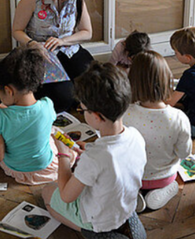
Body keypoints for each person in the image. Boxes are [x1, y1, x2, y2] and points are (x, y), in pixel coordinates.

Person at [41, 62, 147, 234]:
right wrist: (89, 149)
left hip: (97, 219)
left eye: (82, 109)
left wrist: (63, 155)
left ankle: (92, 233)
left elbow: (67, 197)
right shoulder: (136, 136)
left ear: (97, 116)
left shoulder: (95, 157)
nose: (82, 112)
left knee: (48, 193)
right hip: (124, 207)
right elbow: (113, 158)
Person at [0, 47, 77, 185]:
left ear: (8, 91)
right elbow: (26, 117)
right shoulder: (47, 105)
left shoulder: (0, 117)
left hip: (19, 171)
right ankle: (76, 151)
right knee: (53, 133)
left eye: (0, 93)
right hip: (47, 169)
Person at [12, 0, 94, 112]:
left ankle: (82, 107)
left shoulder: (76, 0)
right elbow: (17, 30)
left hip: (68, 48)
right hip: (41, 52)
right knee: (62, 96)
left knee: (94, 81)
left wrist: (63, 40)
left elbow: (87, 32)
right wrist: (32, 43)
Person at [124, 51, 192, 212]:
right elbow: (185, 153)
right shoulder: (178, 117)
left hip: (133, 177)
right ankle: (165, 190)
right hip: (163, 177)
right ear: (167, 81)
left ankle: (135, 195)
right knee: (174, 173)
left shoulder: (125, 112)